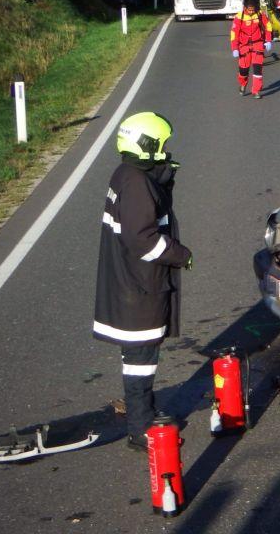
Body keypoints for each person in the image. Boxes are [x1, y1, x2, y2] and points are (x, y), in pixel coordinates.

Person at [93, 112, 193, 451]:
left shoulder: (127, 174)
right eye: (162, 145)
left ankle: (143, 413)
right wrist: (181, 254)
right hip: (139, 287)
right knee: (141, 359)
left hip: (130, 284)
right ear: (147, 145)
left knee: (138, 356)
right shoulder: (137, 184)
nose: (166, 151)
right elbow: (143, 240)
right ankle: (141, 427)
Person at [230, 0, 272, 99]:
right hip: (244, 46)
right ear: (245, 8)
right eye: (249, 10)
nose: (251, 12)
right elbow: (234, 33)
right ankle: (243, 84)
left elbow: (268, 26)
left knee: (258, 69)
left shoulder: (260, 15)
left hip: (258, 44)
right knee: (243, 71)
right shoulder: (239, 17)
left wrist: (268, 40)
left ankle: (256, 91)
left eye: (253, 10)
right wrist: (234, 48)